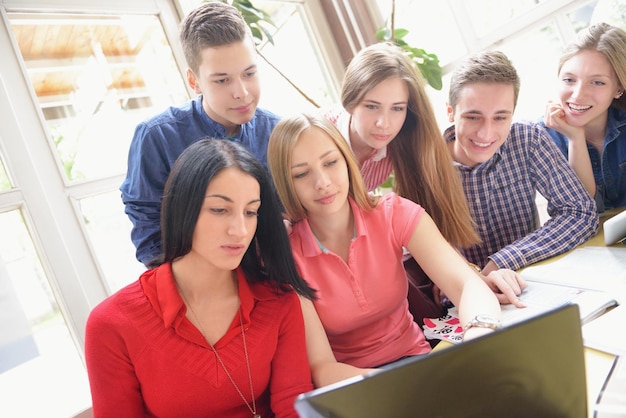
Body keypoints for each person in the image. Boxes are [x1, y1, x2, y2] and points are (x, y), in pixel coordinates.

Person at [85, 140, 315, 417]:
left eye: (250, 212)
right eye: (220, 210)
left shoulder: (278, 301)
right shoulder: (111, 325)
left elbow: (293, 406)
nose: (240, 230)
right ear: (183, 209)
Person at [267, 112, 504, 371]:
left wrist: (477, 336)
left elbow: (467, 284)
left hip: (417, 361)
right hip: (351, 385)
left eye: (331, 162)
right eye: (301, 174)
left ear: (346, 161)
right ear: (286, 184)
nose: (322, 183)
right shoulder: (286, 256)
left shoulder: (393, 213)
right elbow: (322, 367)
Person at [120, 2, 280, 268]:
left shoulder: (276, 131)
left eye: (249, 73)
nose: (241, 92)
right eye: (222, 80)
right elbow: (150, 235)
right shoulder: (157, 138)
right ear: (194, 82)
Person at [444, 50, 599, 275]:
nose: (486, 134)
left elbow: (580, 212)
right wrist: (473, 278)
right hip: (464, 294)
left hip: (532, 279)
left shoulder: (528, 140)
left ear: (512, 114)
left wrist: (503, 261)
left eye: (500, 117)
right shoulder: (425, 166)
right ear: (451, 112)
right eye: (473, 117)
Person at [324, 42, 478, 249]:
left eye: (397, 108)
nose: (384, 123)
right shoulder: (319, 135)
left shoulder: (401, 139)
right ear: (350, 103)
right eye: (372, 106)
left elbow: (433, 214)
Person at [542, 22, 626, 212]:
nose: (578, 95)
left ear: (618, 88)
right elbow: (583, 212)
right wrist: (575, 139)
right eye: (569, 80)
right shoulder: (542, 138)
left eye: (597, 82)